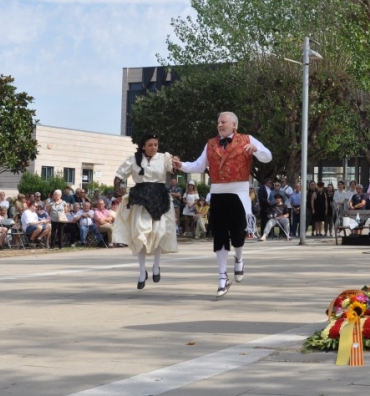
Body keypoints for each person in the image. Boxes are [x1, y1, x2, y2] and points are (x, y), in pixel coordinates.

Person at [174, 112, 272, 297]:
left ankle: (239, 258)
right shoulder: (211, 143)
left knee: (238, 232)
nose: (220, 124)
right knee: (219, 234)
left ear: (234, 125)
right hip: (218, 191)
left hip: (239, 191)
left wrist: (256, 151)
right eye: (218, 121)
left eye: (223, 122)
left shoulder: (247, 139)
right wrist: (181, 166)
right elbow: (198, 165)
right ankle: (222, 276)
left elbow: (268, 156)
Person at [113, 133, 178, 290]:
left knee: (159, 232)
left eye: (156, 144)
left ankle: (156, 266)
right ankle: (142, 272)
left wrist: (176, 163)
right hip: (140, 198)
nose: (153, 148)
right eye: (150, 145)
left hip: (159, 196)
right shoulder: (134, 159)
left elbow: (174, 169)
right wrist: (118, 191)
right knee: (140, 233)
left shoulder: (164, 158)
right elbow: (119, 176)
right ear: (143, 146)